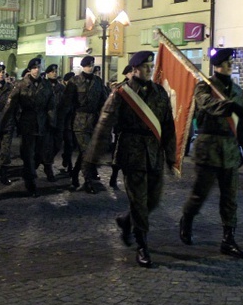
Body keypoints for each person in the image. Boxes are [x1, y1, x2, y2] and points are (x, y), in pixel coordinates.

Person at [86, 51, 176, 267]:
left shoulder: (159, 92)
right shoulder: (121, 93)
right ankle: (142, 245)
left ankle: (126, 221)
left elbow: (168, 126)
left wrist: (171, 156)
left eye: (151, 65)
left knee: (153, 199)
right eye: (146, 66)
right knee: (139, 201)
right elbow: (104, 126)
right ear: (134, 68)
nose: (149, 69)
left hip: (154, 153)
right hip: (132, 152)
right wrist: (92, 158)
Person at [179, 48, 243, 259]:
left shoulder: (238, 90)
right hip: (208, 147)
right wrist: (228, 106)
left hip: (229, 148)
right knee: (199, 193)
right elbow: (206, 104)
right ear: (217, 65)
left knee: (230, 197)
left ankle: (228, 240)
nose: (231, 65)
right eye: (227, 62)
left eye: (232, 61)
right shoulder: (204, 86)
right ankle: (187, 219)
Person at [1, 57, 55, 197]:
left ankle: (29, 172)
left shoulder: (46, 85)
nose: (37, 70)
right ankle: (30, 182)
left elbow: (51, 105)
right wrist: (2, 124)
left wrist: (52, 122)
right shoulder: (21, 85)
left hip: (42, 123)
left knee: (39, 155)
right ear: (30, 69)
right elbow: (10, 105)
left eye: (39, 67)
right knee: (28, 154)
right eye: (34, 68)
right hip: (27, 123)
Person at [60, 56, 108, 193]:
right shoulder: (74, 81)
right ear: (83, 66)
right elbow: (66, 103)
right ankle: (88, 181)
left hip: (93, 121)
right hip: (79, 121)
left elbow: (102, 101)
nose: (90, 67)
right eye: (88, 65)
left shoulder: (98, 81)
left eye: (92, 65)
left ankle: (75, 172)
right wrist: (63, 124)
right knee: (87, 151)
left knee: (86, 152)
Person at [108, 64, 134, 189]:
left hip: (135, 129)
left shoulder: (139, 88)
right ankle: (114, 176)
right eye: (132, 72)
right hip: (122, 127)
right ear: (127, 74)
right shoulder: (121, 89)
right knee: (118, 154)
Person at [0, 64, 15, 186]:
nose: (1, 74)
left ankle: (4, 174)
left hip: (7, 123)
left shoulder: (10, 87)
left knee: (5, 150)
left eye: (3, 72)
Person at [60, 71, 76, 173]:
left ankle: (66, 157)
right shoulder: (63, 91)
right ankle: (69, 164)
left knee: (73, 144)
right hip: (66, 122)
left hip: (75, 121)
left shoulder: (75, 91)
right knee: (69, 143)